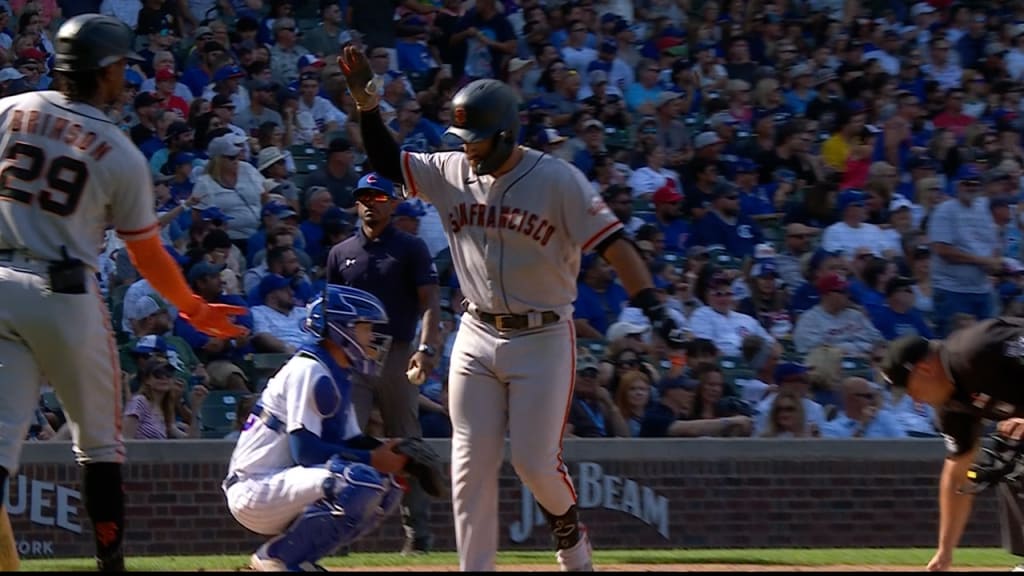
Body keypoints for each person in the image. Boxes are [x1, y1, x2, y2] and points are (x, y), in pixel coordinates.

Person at [338, 46, 685, 572]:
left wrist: (656, 312)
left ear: (505, 133)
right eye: (463, 139)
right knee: (469, 461)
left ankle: (569, 536)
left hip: (543, 337)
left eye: (475, 139)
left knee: (533, 462)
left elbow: (616, 246)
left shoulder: (558, 180)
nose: (467, 149)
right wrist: (367, 104)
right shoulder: (452, 170)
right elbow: (389, 163)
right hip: (475, 333)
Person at [0, 15, 246, 572]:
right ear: (105, 70)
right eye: (120, 69)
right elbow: (146, 254)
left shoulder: (12, 109)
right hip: (64, 295)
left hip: (1, 285)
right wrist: (193, 307)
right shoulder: (118, 150)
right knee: (99, 447)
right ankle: (110, 566)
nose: (125, 79)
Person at [224, 285, 417, 571]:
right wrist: (373, 459)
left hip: (280, 483)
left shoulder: (336, 372)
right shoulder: (309, 369)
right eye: (364, 327)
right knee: (359, 479)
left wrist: (398, 453)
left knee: (387, 485)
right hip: (255, 487)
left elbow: (353, 441)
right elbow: (306, 451)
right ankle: (277, 557)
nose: (373, 337)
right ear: (340, 331)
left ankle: (301, 561)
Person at [325, 172, 441, 554]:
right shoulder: (340, 253)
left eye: (379, 197)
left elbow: (429, 303)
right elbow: (331, 312)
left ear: (392, 203)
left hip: (397, 352)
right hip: (353, 356)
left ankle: (418, 534)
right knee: (345, 441)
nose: (371, 203)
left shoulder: (410, 248)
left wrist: (426, 348)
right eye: (364, 197)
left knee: (408, 441)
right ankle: (338, 533)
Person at [879, 320, 1024, 572]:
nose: (914, 400)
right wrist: (945, 552)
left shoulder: (977, 349)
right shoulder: (951, 405)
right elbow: (956, 475)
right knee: (1011, 464)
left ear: (924, 369)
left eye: (910, 389)